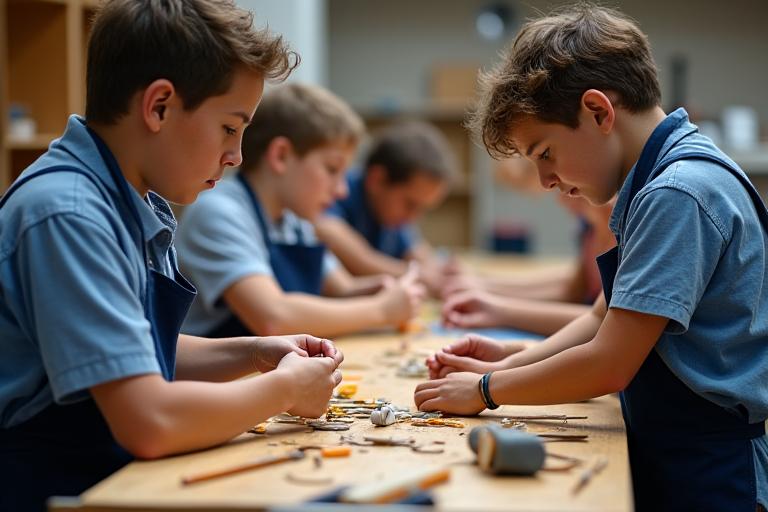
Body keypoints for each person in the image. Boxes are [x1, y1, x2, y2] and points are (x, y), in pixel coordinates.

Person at [416, 4, 767, 511]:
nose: (545, 181)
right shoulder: (658, 181)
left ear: (599, 112)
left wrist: (488, 390)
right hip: (679, 450)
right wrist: (515, 359)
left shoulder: (677, 193)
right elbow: (605, 315)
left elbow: (609, 364)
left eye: (545, 153)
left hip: (709, 471)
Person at [0, 2, 344, 510]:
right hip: (48, 483)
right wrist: (284, 391)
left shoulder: (126, 197)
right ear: (159, 106)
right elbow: (150, 422)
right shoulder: (69, 213)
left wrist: (253, 353)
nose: (236, 156)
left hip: (103, 470)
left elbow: (130, 348)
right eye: (230, 128)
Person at [176, 83, 425, 339]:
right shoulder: (219, 212)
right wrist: (382, 309)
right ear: (281, 156)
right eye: (331, 169)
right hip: (219, 378)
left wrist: (383, 289)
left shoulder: (293, 221)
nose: (342, 191)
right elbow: (273, 318)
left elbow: (343, 289)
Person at [441, 156, 615, 336]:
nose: (561, 199)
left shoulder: (616, 220)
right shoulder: (588, 226)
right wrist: (484, 285)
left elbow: (603, 320)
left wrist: (497, 307)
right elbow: (572, 287)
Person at [314, 121, 458, 294]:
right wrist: (422, 276)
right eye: (410, 204)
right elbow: (362, 259)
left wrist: (442, 273)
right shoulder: (335, 193)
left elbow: (418, 253)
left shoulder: (391, 214)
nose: (413, 217)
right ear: (377, 180)